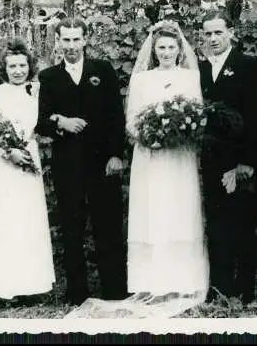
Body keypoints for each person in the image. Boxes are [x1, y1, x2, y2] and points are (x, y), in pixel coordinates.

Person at [64, 20, 209, 319]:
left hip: (179, 156)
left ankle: (182, 281)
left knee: (180, 211)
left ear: (180, 50)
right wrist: (149, 136)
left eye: (171, 47)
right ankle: (151, 282)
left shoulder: (191, 77)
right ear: (153, 51)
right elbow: (130, 119)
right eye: (161, 48)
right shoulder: (142, 80)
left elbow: (198, 115)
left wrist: (179, 132)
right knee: (153, 212)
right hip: (150, 156)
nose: (166, 52)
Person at [34, 17, 127, 306]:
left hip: (102, 164)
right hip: (68, 165)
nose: (71, 46)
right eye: (66, 40)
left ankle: (115, 289)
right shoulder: (49, 77)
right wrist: (62, 121)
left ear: (85, 39)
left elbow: (116, 117)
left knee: (108, 226)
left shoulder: (103, 70)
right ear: (58, 42)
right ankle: (77, 293)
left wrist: (116, 154)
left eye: (76, 39)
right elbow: (41, 123)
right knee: (72, 229)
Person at [0, 38, 56, 302]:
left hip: (28, 163)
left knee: (28, 220)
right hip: (3, 167)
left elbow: (45, 122)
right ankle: (4, 287)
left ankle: (32, 286)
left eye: (23, 65)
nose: (18, 71)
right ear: (4, 68)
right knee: (4, 220)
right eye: (13, 66)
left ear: (29, 66)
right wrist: (8, 152)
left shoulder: (37, 92)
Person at [198, 10, 257, 305]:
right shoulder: (200, 70)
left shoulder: (247, 66)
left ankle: (247, 290)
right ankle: (222, 288)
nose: (213, 39)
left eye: (218, 32)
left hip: (239, 161)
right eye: (208, 34)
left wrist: (246, 164)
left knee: (242, 225)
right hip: (211, 160)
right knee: (217, 226)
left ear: (230, 33)